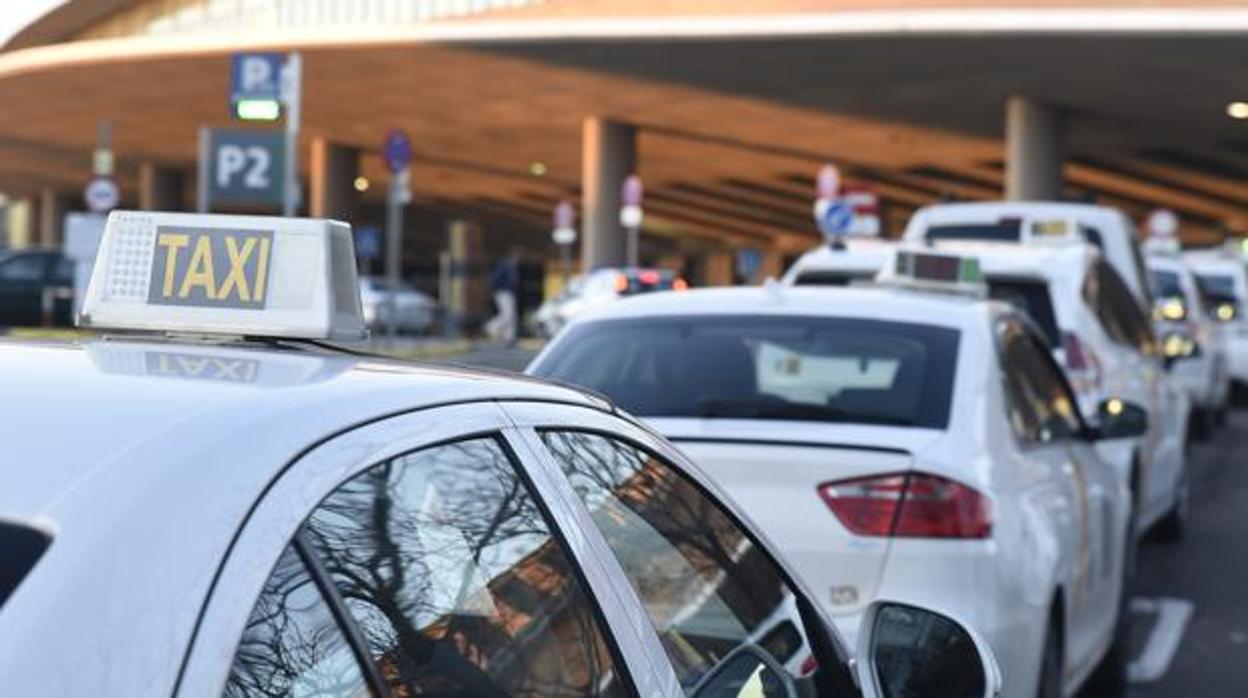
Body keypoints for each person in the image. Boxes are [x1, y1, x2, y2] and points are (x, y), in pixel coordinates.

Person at [486, 248, 520, 345]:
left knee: (512, 315)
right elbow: (496, 279)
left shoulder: (511, 266)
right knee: (508, 314)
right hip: (503, 292)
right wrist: (499, 288)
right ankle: (491, 327)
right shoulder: (504, 265)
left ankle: (510, 337)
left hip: (509, 292)